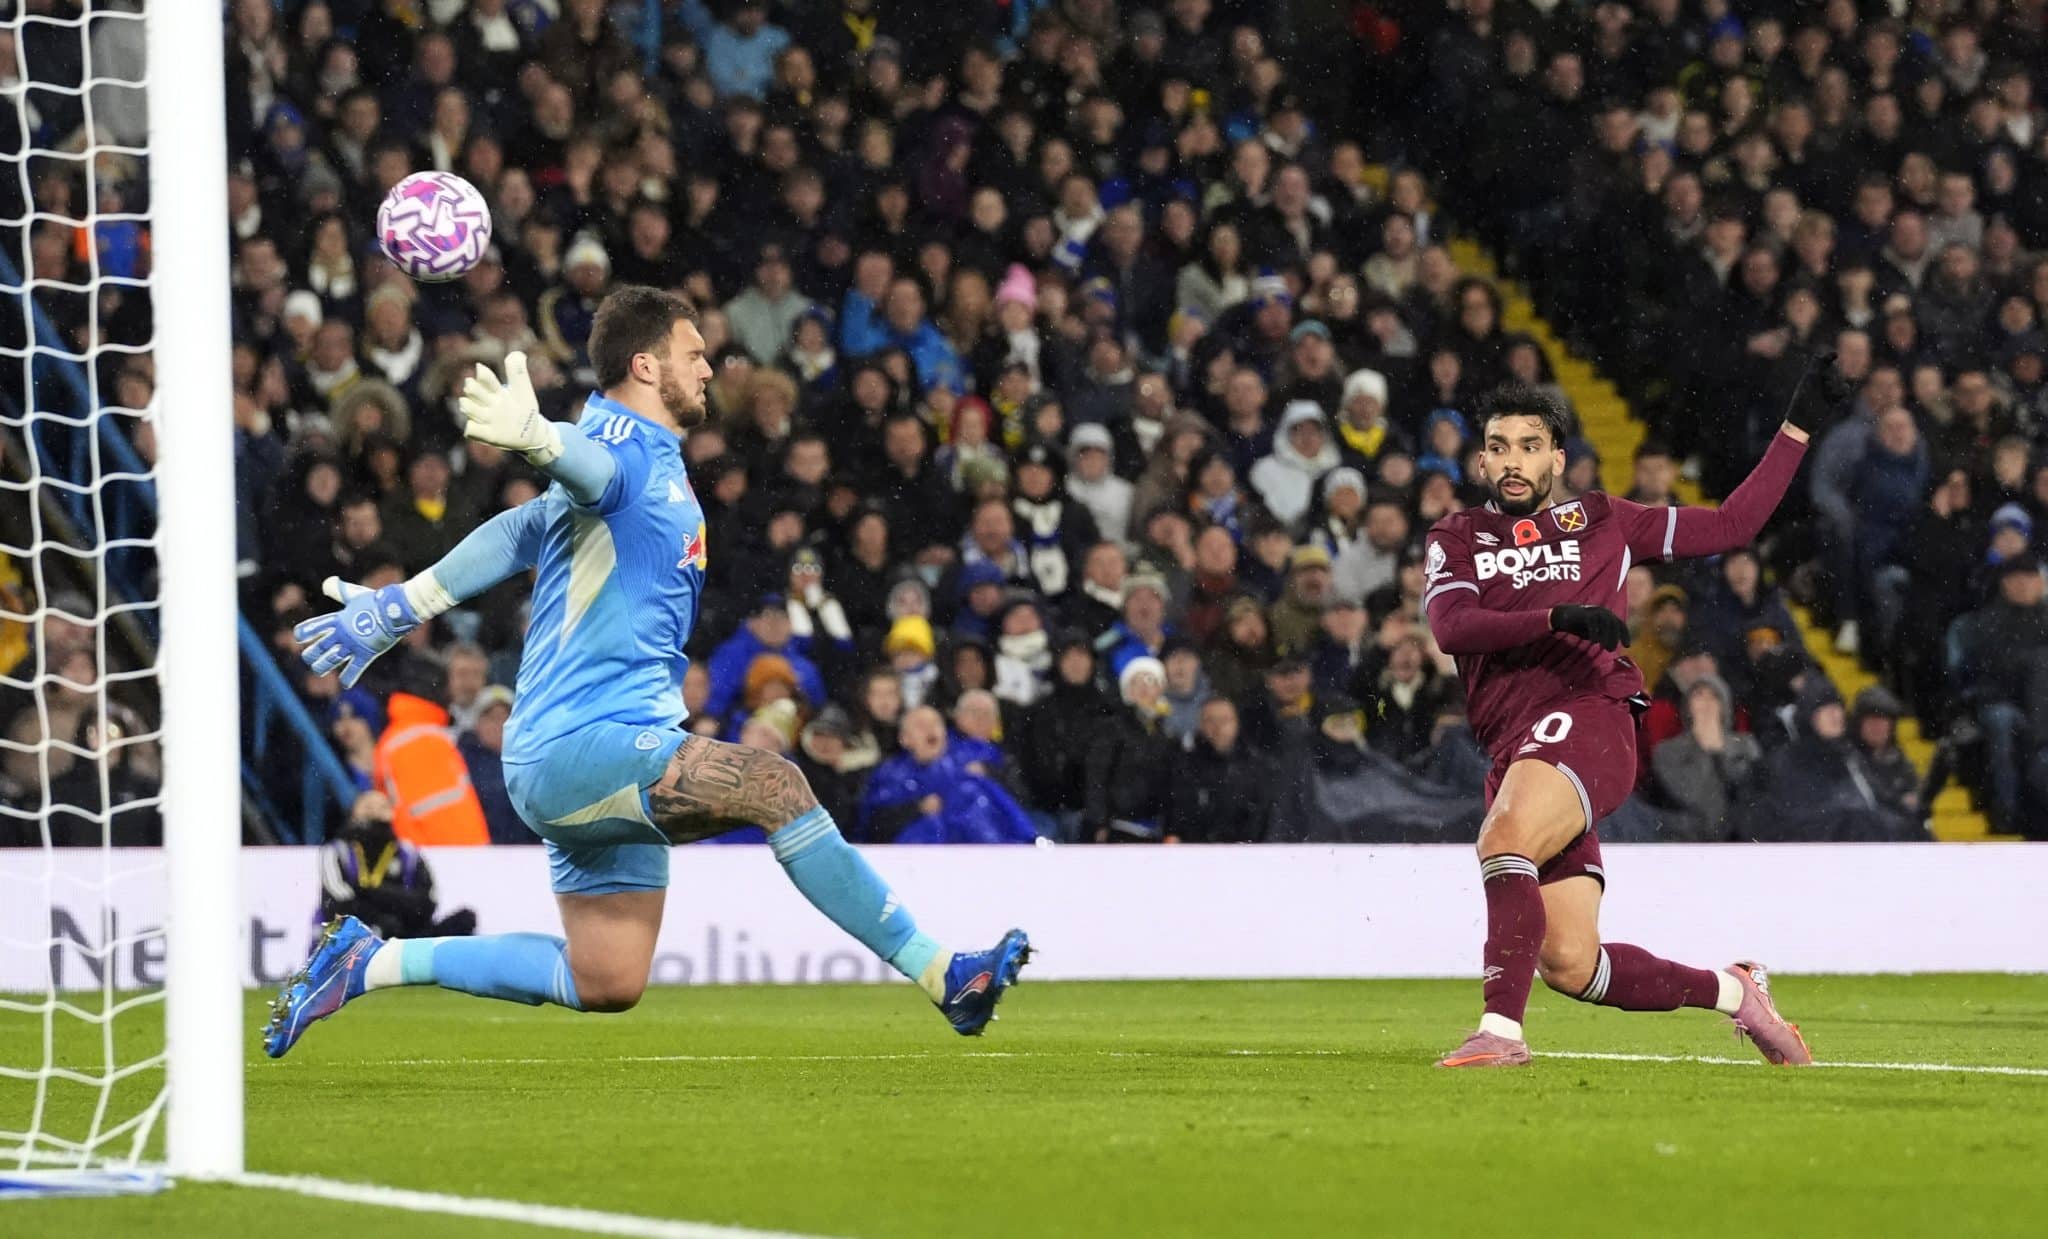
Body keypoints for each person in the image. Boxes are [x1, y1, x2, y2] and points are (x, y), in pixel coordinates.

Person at [267, 286, 1029, 1058]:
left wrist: (402, 604)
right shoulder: (621, 448)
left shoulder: (649, 456)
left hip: (597, 751)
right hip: (581, 745)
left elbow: (518, 528)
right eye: (693, 353)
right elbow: (590, 467)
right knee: (776, 785)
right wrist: (539, 439)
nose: (709, 367)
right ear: (644, 363)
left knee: (607, 978)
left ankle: (371, 959)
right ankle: (944, 974)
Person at [1421, 368, 1840, 1069]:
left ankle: (1500, 1031)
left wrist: (1794, 432)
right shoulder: (1459, 537)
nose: (1514, 460)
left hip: (1591, 716)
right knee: (1570, 963)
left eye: (1530, 445)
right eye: (1499, 446)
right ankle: (1738, 995)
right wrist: (1555, 615)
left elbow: (1734, 523)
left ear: (1558, 457)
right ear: (1483, 460)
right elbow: (1453, 625)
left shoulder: (1606, 520)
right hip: (1517, 749)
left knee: (1505, 837)